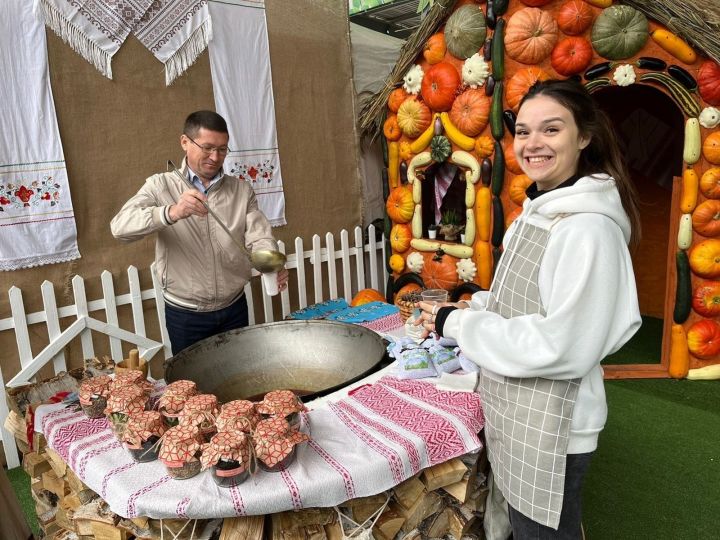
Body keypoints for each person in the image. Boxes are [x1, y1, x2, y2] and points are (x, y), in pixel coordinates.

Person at [415, 79, 642, 539]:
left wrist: (457, 322)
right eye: (523, 131)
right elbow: (523, 300)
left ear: (585, 137)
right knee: (518, 523)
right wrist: (474, 303)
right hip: (520, 409)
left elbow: (564, 344)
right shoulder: (539, 208)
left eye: (551, 130)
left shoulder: (587, 230)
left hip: (554, 424)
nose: (533, 144)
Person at [111, 110, 288, 355]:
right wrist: (172, 212)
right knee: (194, 387)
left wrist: (271, 264)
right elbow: (120, 227)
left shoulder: (241, 190)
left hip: (234, 307)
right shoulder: (160, 185)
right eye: (207, 148)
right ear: (185, 142)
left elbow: (259, 235)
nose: (215, 157)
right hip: (185, 314)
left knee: (239, 379)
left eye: (222, 149)